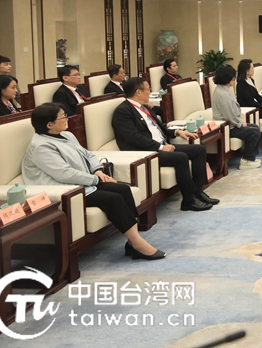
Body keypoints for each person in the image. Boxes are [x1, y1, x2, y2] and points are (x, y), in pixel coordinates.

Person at [22, 102, 165, 260]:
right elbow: (64, 174)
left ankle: (132, 243)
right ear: (49, 124)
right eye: (63, 117)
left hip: (83, 182)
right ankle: (137, 243)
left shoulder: (67, 135)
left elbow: (88, 154)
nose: (67, 118)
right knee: (113, 199)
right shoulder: (41, 147)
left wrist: (98, 170)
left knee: (123, 189)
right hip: (65, 190)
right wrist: (95, 179)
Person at [112, 77, 218, 212]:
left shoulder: (144, 107)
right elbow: (133, 138)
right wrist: (161, 147)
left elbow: (158, 128)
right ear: (138, 92)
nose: (150, 92)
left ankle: (198, 192)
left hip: (162, 145)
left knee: (199, 150)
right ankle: (188, 201)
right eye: (148, 89)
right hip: (146, 152)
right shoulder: (123, 111)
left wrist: (177, 132)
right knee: (180, 157)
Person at [211, 65, 262, 169]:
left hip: (230, 124)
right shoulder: (222, 94)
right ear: (228, 79)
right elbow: (229, 116)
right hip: (226, 127)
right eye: (233, 78)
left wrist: (240, 120)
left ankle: (251, 157)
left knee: (255, 127)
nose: (234, 80)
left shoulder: (222, 89)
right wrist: (240, 123)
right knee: (254, 132)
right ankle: (246, 160)